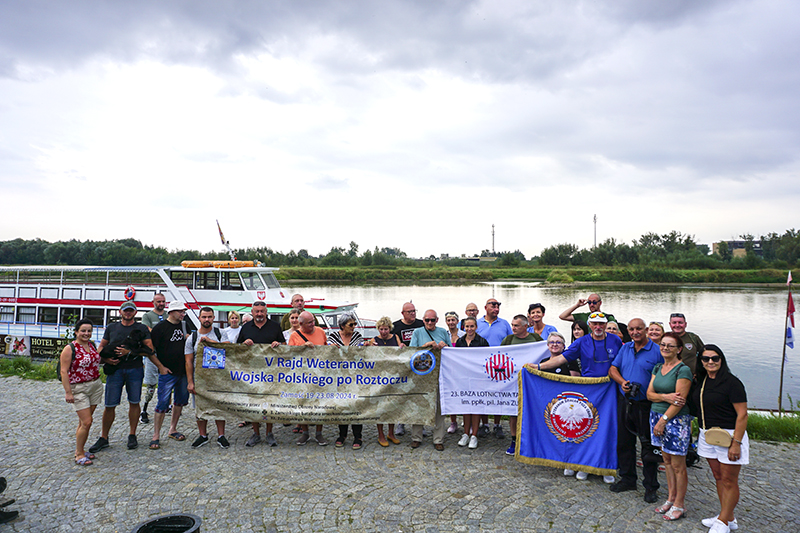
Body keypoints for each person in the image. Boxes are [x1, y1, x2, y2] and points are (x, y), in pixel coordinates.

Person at [539, 311, 622, 482]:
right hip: (589, 389)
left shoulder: (616, 340)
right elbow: (561, 358)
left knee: (607, 428)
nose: (598, 327)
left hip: (609, 390)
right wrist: (539, 366)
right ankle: (582, 463)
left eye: (601, 324)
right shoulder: (581, 342)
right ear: (590, 326)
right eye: (595, 324)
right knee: (585, 427)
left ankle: (605, 467)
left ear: (606, 325)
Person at [608, 318, 664, 503]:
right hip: (626, 402)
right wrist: (622, 382)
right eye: (631, 329)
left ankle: (650, 486)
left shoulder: (657, 351)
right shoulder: (625, 348)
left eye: (638, 329)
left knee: (648, 446)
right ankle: (628, 479)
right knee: (624, 443)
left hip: (646, 405)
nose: (635, 332)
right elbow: (613, 369)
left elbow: (666, 375)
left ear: (646, 330)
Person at [89, 301, 156, 454]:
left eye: (131, 311)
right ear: (120, 312)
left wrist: (130, 352)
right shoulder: (112, 327)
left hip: (135, 369)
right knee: (110, 404)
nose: (128, 313)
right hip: (115, 369)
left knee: (134, 402)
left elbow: (149, 349)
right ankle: (103, 437)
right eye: (125, 310)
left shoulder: (141, 328)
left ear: (135, 312)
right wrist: (105, 360)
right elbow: (100, 348)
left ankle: (132, 435)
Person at [694, 345, 748, 533]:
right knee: (718, 476)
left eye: (715, 358)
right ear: (701, 361)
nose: (710, 362)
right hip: (707, 434)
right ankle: (728, 517)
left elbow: (742, 415)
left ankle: (723, 521)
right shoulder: (702, 381)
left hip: (729, 435)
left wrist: (737, 443)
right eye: (706, 359)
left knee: (729, 480)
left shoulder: (732, 382)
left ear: (721, 360)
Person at [647, 332, 693, 521]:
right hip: (655, 414)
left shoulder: (683, 370)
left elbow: (680, 401)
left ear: (679, 349)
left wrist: (664, 419)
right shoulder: (658, 367)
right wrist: (666, 397)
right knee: (665, 461)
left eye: (670, 346)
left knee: (678, 464)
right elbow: (649, 394)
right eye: (663, 345)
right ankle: (670, 498)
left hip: (675, 420)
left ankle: (679, 504)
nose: (665, 348)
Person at [237, 300, 285, 447]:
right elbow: (237, 348)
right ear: (252, 312)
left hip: (270, 373)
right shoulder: (245, 327)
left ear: (266, 312)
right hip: (251, 373)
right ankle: (256, 433)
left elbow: (285, 346)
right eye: (256, 311)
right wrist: (244, 344)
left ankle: (269, 433)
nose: (259, 314)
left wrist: (279, 345)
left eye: (262, 311)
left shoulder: (275, 326)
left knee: (269, 402)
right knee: (253, 403)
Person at [148, 301, 192, 450]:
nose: (183, 314)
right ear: (172, 312)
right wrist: (160, 367)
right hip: (167, 372)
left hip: (183, 371)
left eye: (183, 311)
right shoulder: (160, 329)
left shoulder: (185, 325)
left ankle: (172, 429)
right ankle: (156, 435)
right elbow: (150, 351)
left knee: (180, 401)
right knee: (162, 403)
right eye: (180, 311)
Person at [500, 316, 546, 455]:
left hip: (532, 381)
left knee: (532, 410)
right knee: (514, 412)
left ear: (525, 326)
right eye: (512, 325)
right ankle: (514, 440)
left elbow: (544, 355)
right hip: (512, 381)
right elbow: (500, 356)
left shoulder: (535, 339)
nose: (513, 328)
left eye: (517, 326)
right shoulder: (508, 340)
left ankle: (531, 439)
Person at [60, 318, 103, 466]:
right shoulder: (70, 348)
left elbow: (94, 362)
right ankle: (78, 454)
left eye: (89, 331)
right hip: (78, 388)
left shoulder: (91, 345)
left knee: (84, 422)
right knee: (87, 421)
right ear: (76, 332)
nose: (86, 333)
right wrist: (68, 392)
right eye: (83, 330)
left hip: (95, 385)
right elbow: (64, 371)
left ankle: (82, 450)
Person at [186, 307, 229, 449]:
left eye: (209, 317)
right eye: (204, 317)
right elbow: (188, 361)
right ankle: (203, 435)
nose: (207, 320)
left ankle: (221, 435)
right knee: (200, 407)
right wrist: (190, 382)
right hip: (199, 378)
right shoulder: (192, 338)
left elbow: (228, 347)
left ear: (213, 317)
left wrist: (210, 341)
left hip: (218, 378)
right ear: (199, 318)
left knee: (219, 407)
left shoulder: (220, 333)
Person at [409, 310, 449, 451]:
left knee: (439, 407)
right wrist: (425, 346)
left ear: (437, 320)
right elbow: (411, 351)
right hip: (422, 375)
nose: (430, 323)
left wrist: (445, 347)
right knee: (419, 405)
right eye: (427, 320)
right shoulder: (417, 332)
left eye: (433, 320)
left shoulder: (443, 332)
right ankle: (416, 437)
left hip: (439, 374)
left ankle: (438, 439)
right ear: (423, 320)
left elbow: (452, 352)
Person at [288, 311, 328, 445]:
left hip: (319, 375)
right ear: (301, 324)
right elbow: (290, 355)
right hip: (302, 376)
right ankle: (305, 433)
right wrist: (301, 348)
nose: (313, 324)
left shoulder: (321, 331)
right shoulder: (294, 336)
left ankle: (319, 433)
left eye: (313, 321)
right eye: (309, 322)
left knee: (319, 404)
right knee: (303, 404)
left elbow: (327, 350)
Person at [328, 312, 365, 450]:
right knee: (342, 405)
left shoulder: (357, 336)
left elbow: (362, 354)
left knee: (356, 404)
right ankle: (342, 434)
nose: (354, 327)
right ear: (342, 325)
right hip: (339, 377)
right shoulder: (333, 337)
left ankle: (358, 435)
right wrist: (330, 349)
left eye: (355, 324)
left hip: (355, 376)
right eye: (351, 324)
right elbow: (327, 353)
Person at [476, 298, 513, 438]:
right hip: (481, 365)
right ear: (486, 307)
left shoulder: (504, 324)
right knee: (483, 394)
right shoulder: (477, 324)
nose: (496, 308)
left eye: (498, 306)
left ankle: (497, 425)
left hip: (499, 365)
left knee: (499, 395)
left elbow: (511, 342)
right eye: (493, 306)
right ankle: (484, 424)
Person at [454, 316, 490, 449]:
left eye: (472, 326)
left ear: (476, 327)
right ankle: (465, 433)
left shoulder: (482, 341)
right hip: (463, 378)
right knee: (465, 406)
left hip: (477, 379)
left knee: (475, 406)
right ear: (463, 327)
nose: (469, 329)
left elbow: (486, 361)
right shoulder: (460, 341)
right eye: (467, 327)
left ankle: (474, 435)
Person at [366, 316, 401, 446]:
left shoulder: (395, 337)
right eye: (381, 329)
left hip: (393, 377)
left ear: (389, 328)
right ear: (378, 329)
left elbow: (400, 351)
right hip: (379, 377)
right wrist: (368, 346)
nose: (384, 332)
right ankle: (380, 434)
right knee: (380, 407)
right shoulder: (374, 340)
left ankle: (390, 433)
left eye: (386, 329)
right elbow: (368, 356)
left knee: (392, 406)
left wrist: (402, 347)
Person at [392, 302, 424, 436]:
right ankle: (401, 422)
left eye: (414, 311)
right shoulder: (395, 326)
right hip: (403, 365)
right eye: (409, 311)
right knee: (402, 394)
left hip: (419, 364)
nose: (413, 313)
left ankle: (419, 425)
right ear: (402, 313)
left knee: (419, 395)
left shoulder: (421, 324)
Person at [140, 293, 167, 424]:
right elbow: (147, 330)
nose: (161, 304)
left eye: (163, 301)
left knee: (168, 380)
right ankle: (144, 408)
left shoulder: (168, 314)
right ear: (153, 302)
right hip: (153, 354)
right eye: (159, 301)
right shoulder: (147, 316)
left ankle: (165, 405)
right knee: (151, 383)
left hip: (166, 354)